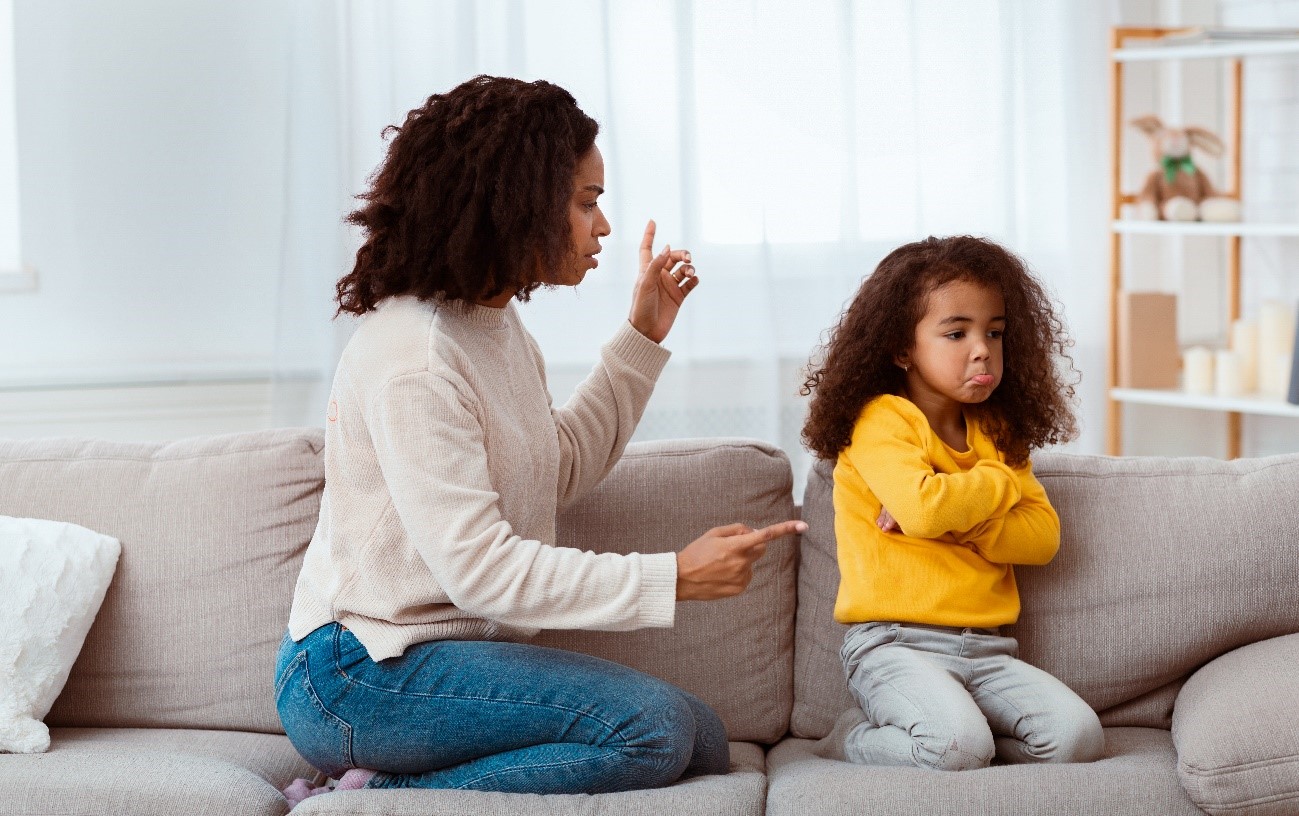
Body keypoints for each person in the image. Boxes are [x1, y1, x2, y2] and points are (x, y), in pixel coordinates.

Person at [275, 75, 806, 807]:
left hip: (439, 659)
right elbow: (481, 572)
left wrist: (642, 337)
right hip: (358, 673)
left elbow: (551, 470)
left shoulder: (486, 324)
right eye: (587, 202)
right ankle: (369, 797)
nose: (604, 227)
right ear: (516, 201)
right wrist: (671, 576)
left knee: (704, 737)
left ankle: (386, 785)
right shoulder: (415, 357)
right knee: (652, 733)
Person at [800, 235, 1104, 771]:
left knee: (1077, 738)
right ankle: (852, 738)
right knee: (957, 748)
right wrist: (997, 486)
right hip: (893, 644)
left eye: (995, 332)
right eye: (956, 333)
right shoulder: (881, 421)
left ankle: (966, 742)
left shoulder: (997, 431)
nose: (982, 348)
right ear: (902, 348)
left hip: (987, 649)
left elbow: (1040, 539)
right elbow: (922, 510)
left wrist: (955, 518)